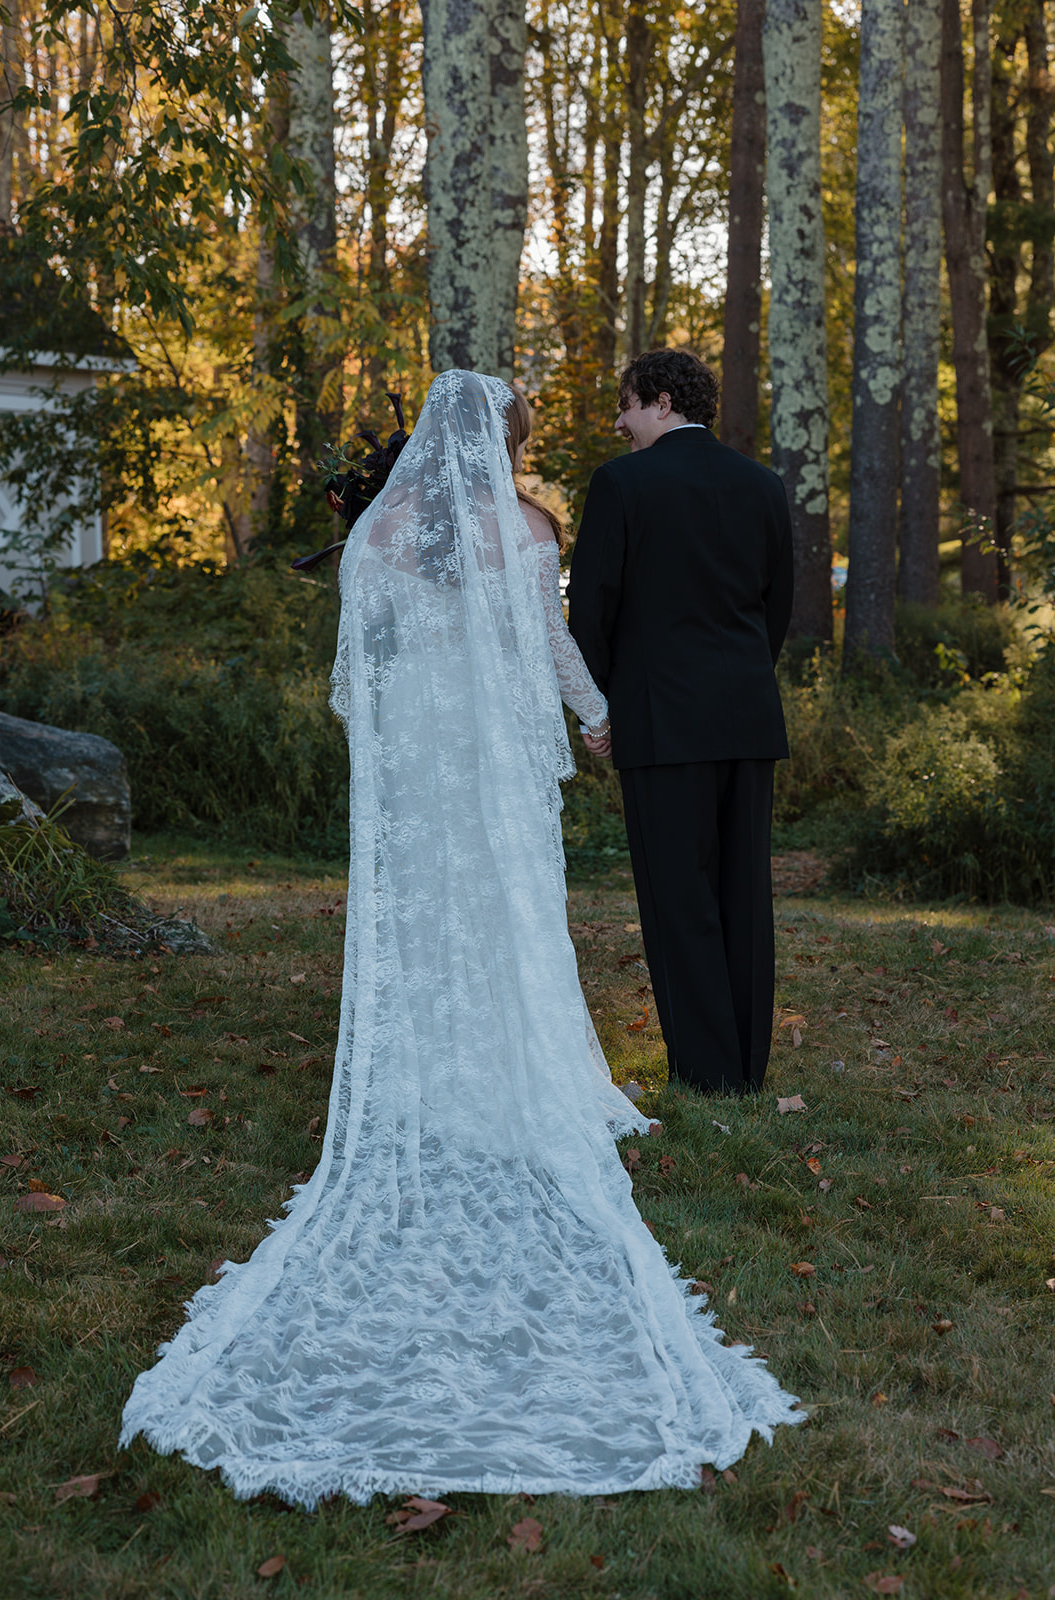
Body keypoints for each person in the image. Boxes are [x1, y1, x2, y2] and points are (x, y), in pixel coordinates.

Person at [119, 370, 800, 1508]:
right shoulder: (530, 526)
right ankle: (548, 1060)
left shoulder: (381, 529)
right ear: (502, 440)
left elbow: (357, 662)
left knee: (426, 907)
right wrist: (591, 715)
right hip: (492, 747)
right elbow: (551, 641)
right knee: (507, 906)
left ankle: (429, 1067)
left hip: (419, 744)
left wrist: (400, 714)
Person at [567, 349, 794, 1097]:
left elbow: (590, 611)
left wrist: (602, 705)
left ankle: (704, 1073)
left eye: (626, 406)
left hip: (661, 722)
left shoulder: (621, 483)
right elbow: (775, 609)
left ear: (661, 402)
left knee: (678, 896)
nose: (620, 423)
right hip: (744, 714)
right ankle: (745, 1070)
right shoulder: (761, 486)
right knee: (742, 895)